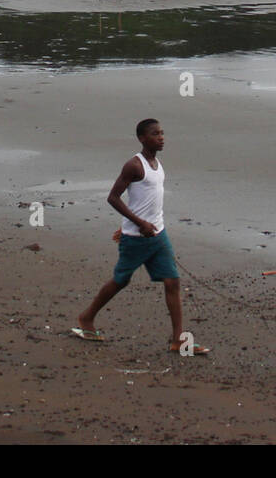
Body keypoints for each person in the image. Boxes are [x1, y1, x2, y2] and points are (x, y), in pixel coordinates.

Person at [73, 119, 209, 355]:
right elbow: (113, 197)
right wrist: (137, 223)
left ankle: (178, 339)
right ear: (142, 138)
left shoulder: (157, 163)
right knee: (121, 280)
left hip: (158, 234)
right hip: (136, 238)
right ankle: (86, 318)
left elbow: (145, 201)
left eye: (162, 133)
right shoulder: (134, 166)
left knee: (173, 281)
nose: (161, 137)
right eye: (155, 134)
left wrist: (149, 223)